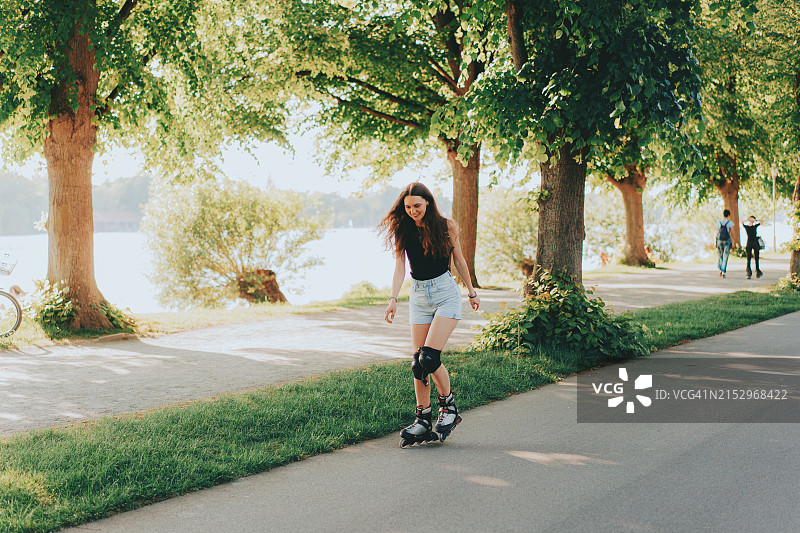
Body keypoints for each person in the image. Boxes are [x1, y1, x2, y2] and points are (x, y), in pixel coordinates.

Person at [379, 182, 480, 447]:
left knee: (429, 357)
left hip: (445, 292)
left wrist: (471, 292)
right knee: (417, 363)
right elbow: (400, 267)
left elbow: (459, 259)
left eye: (417, 206)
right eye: (408, 207)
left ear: (428, 203)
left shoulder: (446, 226)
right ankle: (422, 420)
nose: (412, 211)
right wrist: (393, 299)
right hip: (419, 295)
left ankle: (449, 408)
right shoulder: (403, 229)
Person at [742, 215, 763, 279]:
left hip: (755, 243)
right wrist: (748, 219)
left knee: (756, 258)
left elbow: (762, 221)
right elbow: (742, 222)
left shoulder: (755, 226)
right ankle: (748, 273)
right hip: (749, 243)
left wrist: (755, 220)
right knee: (748, 259)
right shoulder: (746, 227)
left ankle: (758, 272)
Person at [716, 209, 734, 278]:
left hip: (719, 240)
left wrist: (716, 241)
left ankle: (720, 269)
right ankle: (723, 271)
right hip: (727, 240)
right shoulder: (730, 223)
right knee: (725, 256)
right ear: (729, 215)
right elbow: (732, 233)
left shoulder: (719, 222)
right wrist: (733, 241)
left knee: (720, 255)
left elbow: (717, 233)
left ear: (723, 215)